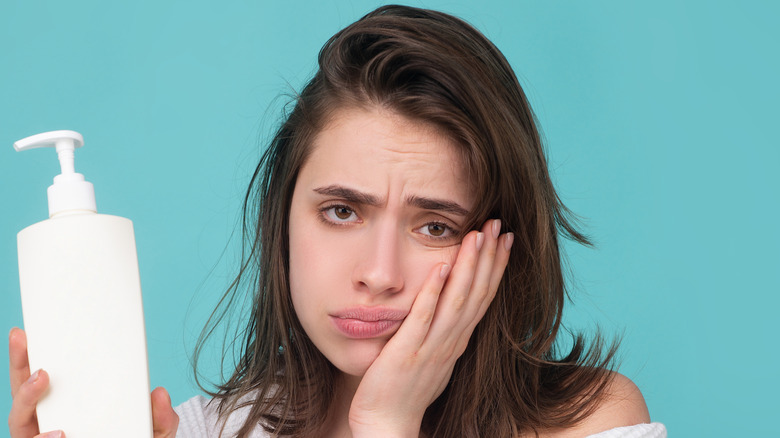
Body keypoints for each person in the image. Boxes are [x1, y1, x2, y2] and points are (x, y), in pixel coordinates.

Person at [9, 5, 666, 438]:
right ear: (283, 223)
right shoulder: (212, 429)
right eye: (342, 211)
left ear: (499, 245)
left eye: (434, 226)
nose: (379, 275)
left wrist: (386, 421)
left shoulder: (593, 423)